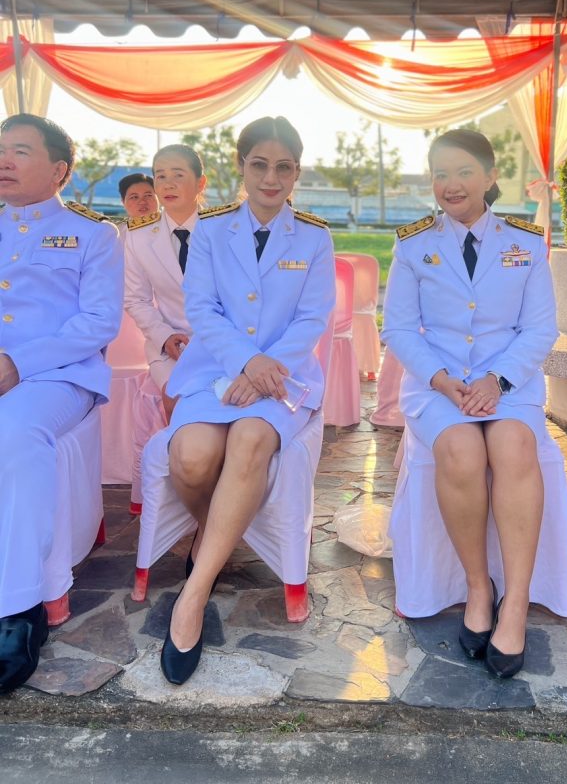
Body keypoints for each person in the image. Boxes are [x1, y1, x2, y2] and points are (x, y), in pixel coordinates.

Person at [159, 116, 335, 685]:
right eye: (259, 164)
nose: (270, 177)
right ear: (241, 166)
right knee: (190, 458)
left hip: (284, 376)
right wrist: (244, 362)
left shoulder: (315, 236)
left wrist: (265, 370)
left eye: (284, 166)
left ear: (297, 172)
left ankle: (195, 591)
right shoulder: (211, 230)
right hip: (215, 370)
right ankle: (220, 534)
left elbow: (312, 317)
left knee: (251, 439)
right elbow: (202, 308)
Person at [381, 129, 558, 679]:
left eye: (463, 172)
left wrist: (497, 381)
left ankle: (517, 601)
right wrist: (440, 380)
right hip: (437, 383)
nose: (450, 184)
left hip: (509, 383)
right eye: (440, 174)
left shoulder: (525, 243)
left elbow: (540, 329)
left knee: (514, 446)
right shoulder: (413, 244)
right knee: (460, 451)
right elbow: (398, 328)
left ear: (489, 176)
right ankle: (479, 589)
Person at [0, 113, 122, 693]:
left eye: (20, 151)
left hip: (58, 377)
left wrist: (17, 363)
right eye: (0, 149)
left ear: (59, 170)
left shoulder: (94, 234)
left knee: (15, 432)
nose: (4, 160)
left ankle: (18, 608)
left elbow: (98, 321)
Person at [124, 145, 205, 422]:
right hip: (170, 344)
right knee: (177, 399)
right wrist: (164, 336)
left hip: (220, 340)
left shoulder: (223, 229)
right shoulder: (139, 236)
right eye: (160, 176)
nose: (168, 184)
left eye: (178, 175)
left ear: (200, 183)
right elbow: (136, 299)